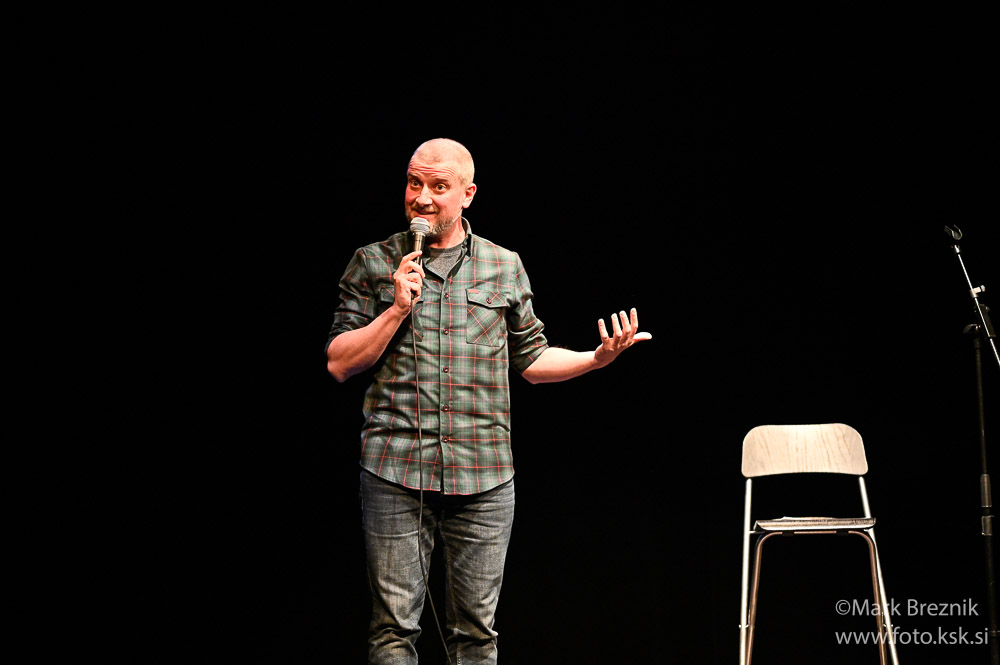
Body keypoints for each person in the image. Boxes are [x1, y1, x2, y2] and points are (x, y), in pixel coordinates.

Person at [326, 138, 650, 664]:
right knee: (393, 631)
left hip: (484, 477)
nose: (422, 197)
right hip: (394, 471)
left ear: (468, 194)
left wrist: (596, 359)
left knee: (476, 635)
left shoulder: (504, 265)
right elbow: (340, 363)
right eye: (414, 183)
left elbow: (532, 360)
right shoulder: (373, 261)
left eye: (438, 186)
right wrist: (395, 309)